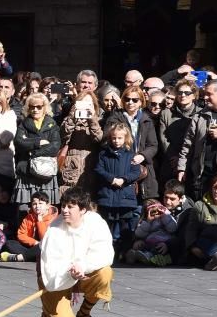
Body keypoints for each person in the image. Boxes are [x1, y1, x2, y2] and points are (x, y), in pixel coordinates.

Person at [37, 187, 114, 317]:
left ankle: (84, 314)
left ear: (83, 210)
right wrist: (70, 271)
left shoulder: (96, 223)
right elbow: (50, 265)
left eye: (70, 207)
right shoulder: (54, 230)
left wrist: (82, 266)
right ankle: (49, 313)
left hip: (83, 273)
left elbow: (104, 253)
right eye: (63, 206)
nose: (65, 210)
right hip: (55, 278)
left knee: (105, 273)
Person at [105, 85, 159, 202]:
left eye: (135, 100)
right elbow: (106, 141)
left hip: (142, 168)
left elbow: (153, 145)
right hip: (120, 166)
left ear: (141, 102)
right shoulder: (114, 118)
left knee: (142, 206)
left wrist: (142, 156)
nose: (130, 102)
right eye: (127, 99)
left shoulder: (146, 120)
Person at [94, 123, 143, 254]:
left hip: (125, 197)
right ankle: (105, 252)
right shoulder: (104, 154)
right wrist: (112, 179)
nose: (116, 141)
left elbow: (136, 172)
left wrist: (124, 179)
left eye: (120, 138)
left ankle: (124, 252)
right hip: (108, 196)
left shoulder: (130, 155)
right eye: (114, 138)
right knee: (106, 227)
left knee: (125, 225)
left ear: (125, 139)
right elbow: (99, 169)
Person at [14, 93, 62, 207]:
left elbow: (55, 146)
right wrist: (38, 142)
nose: (35, 110)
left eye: (39, 107)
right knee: (24, 208)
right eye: (32, 107)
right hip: (26, 171)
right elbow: (18, 142)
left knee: (47, 208)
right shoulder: (23, 124)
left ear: (45, 107)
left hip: (46, 171)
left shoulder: (52, 124)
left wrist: (33, 152)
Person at [58, 91, 103, 195]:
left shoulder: (99, 121)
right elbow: (64, 137)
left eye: (89, 104)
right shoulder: (69, 120)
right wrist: (72, 117)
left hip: (90, 165)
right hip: (71, 166)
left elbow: (99, 139)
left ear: (94, 106)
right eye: (82, 104)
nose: (85, 107)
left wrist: (92, 120)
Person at [158, 80, 198, 185]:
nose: (183, 95)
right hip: (170, 161)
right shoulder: (166, 113)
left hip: (191, 162)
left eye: (187, 93)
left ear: (194, 95)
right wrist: (174, 158)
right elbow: (164, 139)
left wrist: (183, 160)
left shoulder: (201, 113)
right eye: (180, 93)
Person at [2, 192, 58, 262]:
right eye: (34, 204)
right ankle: (33, 256)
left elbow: (45, 239)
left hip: (47, 247)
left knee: (45, 246)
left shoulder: (54, 219)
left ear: (47, 205)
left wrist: (40, 221)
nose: (37, 206)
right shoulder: (29, 217)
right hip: (33, 246)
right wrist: (34, 242)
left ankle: (21, 257)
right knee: (9, 244)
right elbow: (21, 235)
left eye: (40, 203)